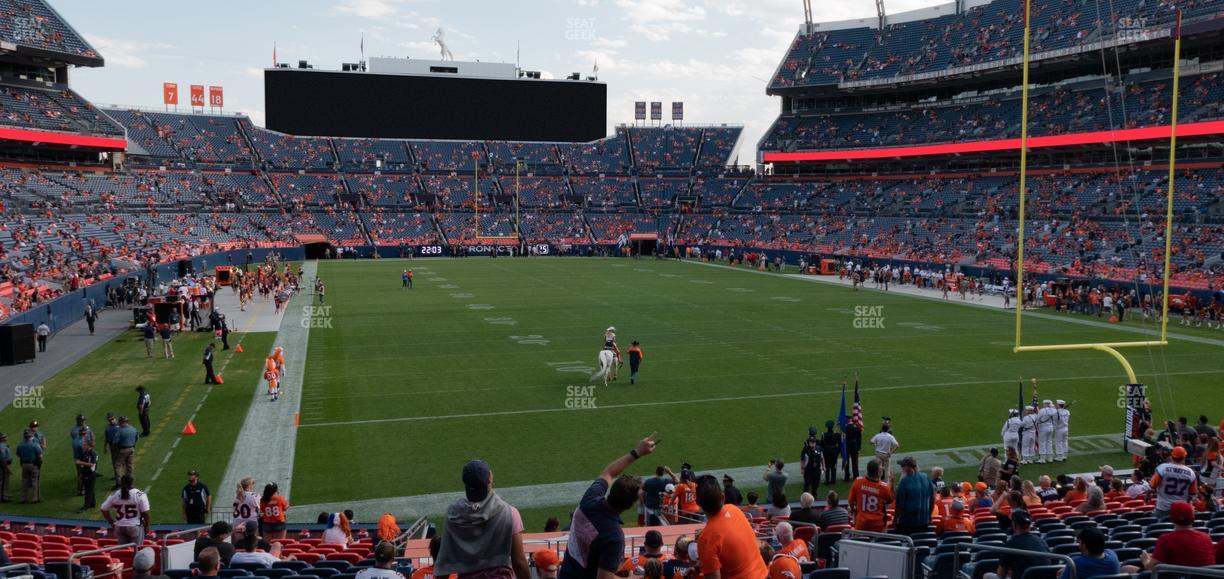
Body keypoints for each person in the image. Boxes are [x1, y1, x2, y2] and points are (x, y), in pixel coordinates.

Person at [558, 433, 656, 579]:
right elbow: (604, 578)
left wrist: (637, 452)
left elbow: (609, 472)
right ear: (629, 506)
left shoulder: (589, 500)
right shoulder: (614, 536)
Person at [435, 459, 529, 579]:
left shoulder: (453, 516)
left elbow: (444, 566)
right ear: (489, 480)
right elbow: (519, 562)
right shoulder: (509, 513)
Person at [694, 474, 769, 579]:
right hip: (764, 574)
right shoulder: (734, 510)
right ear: (723, 497)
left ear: (697, 503)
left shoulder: (706, 538)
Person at [1128, 501, 1215, 571]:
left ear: (1172, 518)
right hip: (1203, 576)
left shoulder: (1166, 539)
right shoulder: (1206, 537)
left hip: (1179, 576)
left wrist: (1145, 560)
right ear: (1193, 518)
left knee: (1126, 568)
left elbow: (1151, 568)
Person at [983, 511, 1049, 579]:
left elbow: (1001, 575)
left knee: (987, 576)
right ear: (1029, 524)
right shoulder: (1042, 541)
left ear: (1014, 524)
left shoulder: (1011, 544)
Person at [101, 475, 150, 545]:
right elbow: (145, 513)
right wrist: (147, 525)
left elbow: (103, 509)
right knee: (136, 551)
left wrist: (111, 522)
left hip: (119, 526)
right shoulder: (139, 494)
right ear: (132, 482)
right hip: (134, 525)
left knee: (123, 551)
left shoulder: (115, 494)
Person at [1151, 447, 1198, 520]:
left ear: (1172, 456)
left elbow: (1152, 485)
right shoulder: (1191, 472)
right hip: (1181, 507)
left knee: (1161, 528)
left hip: (1163, 507)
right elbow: (1192, 493)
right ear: (1184, 457)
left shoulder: (1162, 468)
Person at [848, 459, 893, 532]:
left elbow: (851, 501)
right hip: (878, 525)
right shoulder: (883, 487)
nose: (883, 469)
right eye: (881, 468)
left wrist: (854, 512)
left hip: (861, 524)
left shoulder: (858, 482)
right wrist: (891, 483)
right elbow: (890, 499)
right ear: (878, 472)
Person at [893, 456, 934, 536]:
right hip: (924, 522)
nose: (902, 468)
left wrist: (895, 520)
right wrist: (929, 515)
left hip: (908, 524)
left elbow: (899, 506)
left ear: (908, 468)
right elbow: (932, 499)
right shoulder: (926, 477)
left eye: (903, 466)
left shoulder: (904, 482)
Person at [16, 430, 41, 503]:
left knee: (24, 481)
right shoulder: (34, 445)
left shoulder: (20, 445)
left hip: (24, 464)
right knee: (35, 481)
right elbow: (40, 455)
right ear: (31, 436)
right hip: (33, 465)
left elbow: (18, 455)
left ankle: (23, 498)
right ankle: (35, 498)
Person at [232, 477, 260, 542]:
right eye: (252, 484)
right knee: (252, 544)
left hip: (237, 523)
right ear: (249, 485)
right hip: (251, 524)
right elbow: (260, 508)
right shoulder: (254, 495)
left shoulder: (237, 495)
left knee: (238, 545)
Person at [75, 437, 98, 513]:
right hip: (86, 473)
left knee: (88, 491)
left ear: (89, 445)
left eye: (84, 445)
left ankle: (86, 506)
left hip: (90, 474)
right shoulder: (86, 452)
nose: (83, 446)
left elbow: (92, 464)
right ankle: (92, 503)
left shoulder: (92, 453)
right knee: (90, 489)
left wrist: (80, 462)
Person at [115, 416, 139, 480]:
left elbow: (115, 442)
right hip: (131, 449)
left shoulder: (120, 431)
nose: (119, 424)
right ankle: (130, 480)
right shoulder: (134, 429)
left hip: (122, 450)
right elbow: (137, 438)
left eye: (120, 422)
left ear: (123, 422)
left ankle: (119, 482)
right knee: (130, 465)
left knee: (118, 465)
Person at [0, 432, 10, 502]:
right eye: (5, 437)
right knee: (3, 481)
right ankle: (3, 497)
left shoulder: (3, 445)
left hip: (3, 465)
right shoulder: (1, 446)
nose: (6, 438)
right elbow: (2, 458)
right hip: (3, 466)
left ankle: (4, 495)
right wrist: (6, 468)